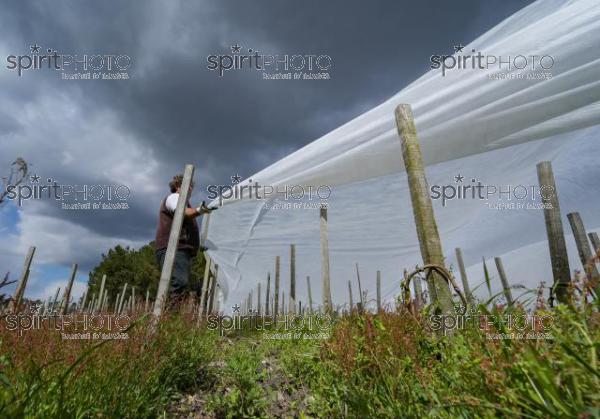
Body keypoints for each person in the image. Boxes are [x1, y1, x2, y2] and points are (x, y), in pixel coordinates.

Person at [154, 174, 215, 297]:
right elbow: (182, 212)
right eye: (188, 186)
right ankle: (168, 314)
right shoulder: (175, 197)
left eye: (192, 187)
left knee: (180, 284)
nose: (191, 189)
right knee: (179, 282)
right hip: (173, 248)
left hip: (180, 249)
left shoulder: (183, 201)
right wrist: (200, 210)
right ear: (177, 186)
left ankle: (168, 313)